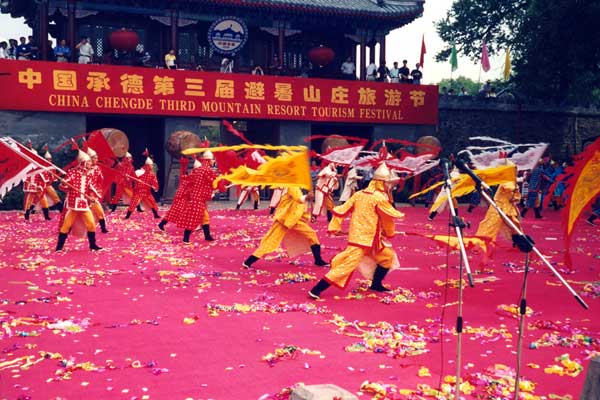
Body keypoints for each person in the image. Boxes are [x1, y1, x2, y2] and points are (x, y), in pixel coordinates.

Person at [308, 163, 405, 299]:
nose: (390, 186)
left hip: (371, 239)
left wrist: (335, 227)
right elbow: (387, 218)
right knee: (347, 265)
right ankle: (316, 289)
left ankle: (376, 284)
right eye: (389, 183)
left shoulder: (359, 194)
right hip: (361, 240)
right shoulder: (379, 198)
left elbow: (341, 210)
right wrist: (390, 233)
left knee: (386, 257)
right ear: (382, 183)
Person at [242, 186, 328, 269]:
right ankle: (249, 261)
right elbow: (298, 199)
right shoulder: (292, 186)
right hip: (283, 220)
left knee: (311, 234)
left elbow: (298, 205)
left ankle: (318, 260)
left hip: (294, 220)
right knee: (271, 241)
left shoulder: (296, 187)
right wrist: (307, 197)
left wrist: (308, 206)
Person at [55, 148, 102, 252]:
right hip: (74, 205)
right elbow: (63, 187)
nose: (90, 163)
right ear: (83, 163)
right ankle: (59, 247)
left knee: (91, 224)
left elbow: (91, 187)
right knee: (66, 226)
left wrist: (93, 196)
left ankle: (93, 245)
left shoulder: (89, 174)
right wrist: (64, 183)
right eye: (88, 162)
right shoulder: (72, 172)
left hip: (84, 204)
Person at [175, 151, 218, 243]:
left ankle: (207, 236)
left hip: (198, 197)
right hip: (198, 198)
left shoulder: (200, 170)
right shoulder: (207, 170)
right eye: (213, 159)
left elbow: (189, 179)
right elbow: (213, 182)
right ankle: (185, 238)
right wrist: (219, 184)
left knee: (205, 217)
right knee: (193, 218)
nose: (214, 161)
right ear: (209, 160)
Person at [125, 151, 160, 220]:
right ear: (147, 165)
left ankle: (156, 215)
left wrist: (155, 187)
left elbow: (155, 182)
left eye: (152, 165)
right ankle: (127, 216)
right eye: (151, 165)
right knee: (133, 203)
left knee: (152, 202)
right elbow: (133, 178)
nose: (152, 166)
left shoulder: (152, 175)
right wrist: (128, 176)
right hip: (138, 191)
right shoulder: (139, 172)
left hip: (147, 192)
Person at [328, 167, 362, 234]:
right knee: (342, 210)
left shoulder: (352, 172)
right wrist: (361, 178)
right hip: (348, 197)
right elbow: (352, 180)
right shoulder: (352, 171)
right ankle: (334, 228)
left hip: (350, 196)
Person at [85, 146, 109, 233]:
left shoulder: (97, 168)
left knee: (99, 211)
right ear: (90, 159)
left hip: (93, 194)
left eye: (97, 158)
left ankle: (103, 228)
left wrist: (98, 189)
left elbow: (100, 180)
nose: (97, 159)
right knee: (79, 212)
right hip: (84, 194)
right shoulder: (84, 169)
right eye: (95, 158)